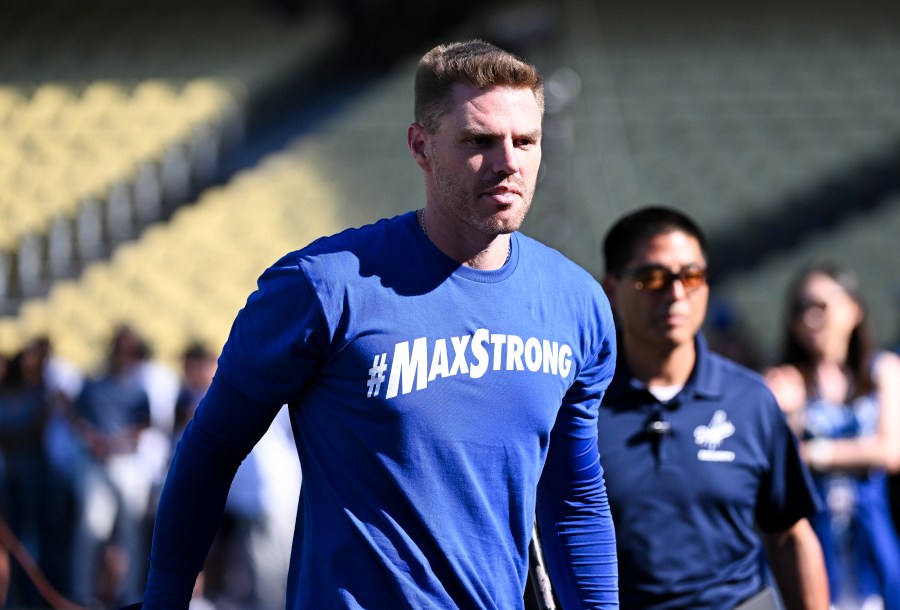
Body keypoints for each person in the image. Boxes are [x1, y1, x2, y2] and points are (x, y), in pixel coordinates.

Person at [142, 40, 619, 609]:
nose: (508, 162)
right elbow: (212, 449)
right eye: (479, 140)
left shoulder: (577, 304)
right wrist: (165, 599)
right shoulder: (321, 285)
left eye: (526, 141)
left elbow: (574, 499)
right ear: (420, 146)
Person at [596, 206, 829, 609]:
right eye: (652, 278)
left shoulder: (750, 400)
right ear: (613, 290)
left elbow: (790, 535)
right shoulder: (580, 407)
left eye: (691, 276)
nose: (676, 294)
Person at [765, 262, 900, 610]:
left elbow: (890, 451)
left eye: (821, 306)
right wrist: (791, 413)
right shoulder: (786, 381)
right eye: (801, 309)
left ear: (853, 309)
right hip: (817, 541)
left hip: (875, 538)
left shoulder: (883, 370)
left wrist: (816, 453)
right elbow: (779, 466)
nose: (811, 319)